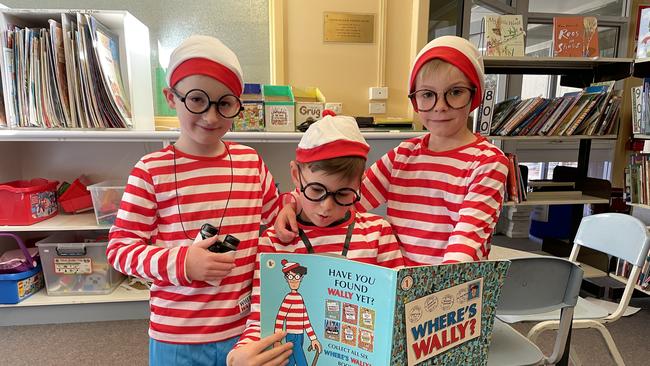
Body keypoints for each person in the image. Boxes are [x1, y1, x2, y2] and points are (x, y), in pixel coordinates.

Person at [106, 35, 292, 366]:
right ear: (171, 98)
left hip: (244, 329)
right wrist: (183, 263)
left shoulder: (250, 162)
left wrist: (292, 207)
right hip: (177, 335)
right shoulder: (151, 171)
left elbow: (277, 215)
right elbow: (120, 250)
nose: (210, 116)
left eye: (225, 103)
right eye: (196, 100)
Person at [276, 36, 509, 265]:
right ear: (415, 99)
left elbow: (466, 243)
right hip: (399, 284)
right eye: (428, 94)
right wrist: (291, 204)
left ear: (474, 93)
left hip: (450, 290)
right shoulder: (404, 154)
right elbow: (348, 195)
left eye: (455, 92)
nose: (440, 106)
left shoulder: (488, 162)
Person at [227, 114, 405, 366]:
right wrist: (240, 354)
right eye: (316, 191)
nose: (326, 207)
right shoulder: (275, 242)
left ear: (359, 184)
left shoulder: (377, 234)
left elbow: (395, 313)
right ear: (295, 176)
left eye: (343, 193)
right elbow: (261, 319)